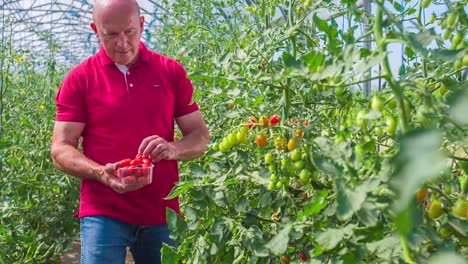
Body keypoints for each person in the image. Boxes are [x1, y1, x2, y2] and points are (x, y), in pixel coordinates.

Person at [50, 0, 210, 263]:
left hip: (162, 211)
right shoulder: (79, 79)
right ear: (95, 30)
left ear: (142, 24)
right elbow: (60, 149)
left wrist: (172, 149)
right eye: (111, 34)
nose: (122, 43)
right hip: (103, 210)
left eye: (130, 31)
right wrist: (100, 172)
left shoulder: (171, 72)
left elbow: (200, 137)